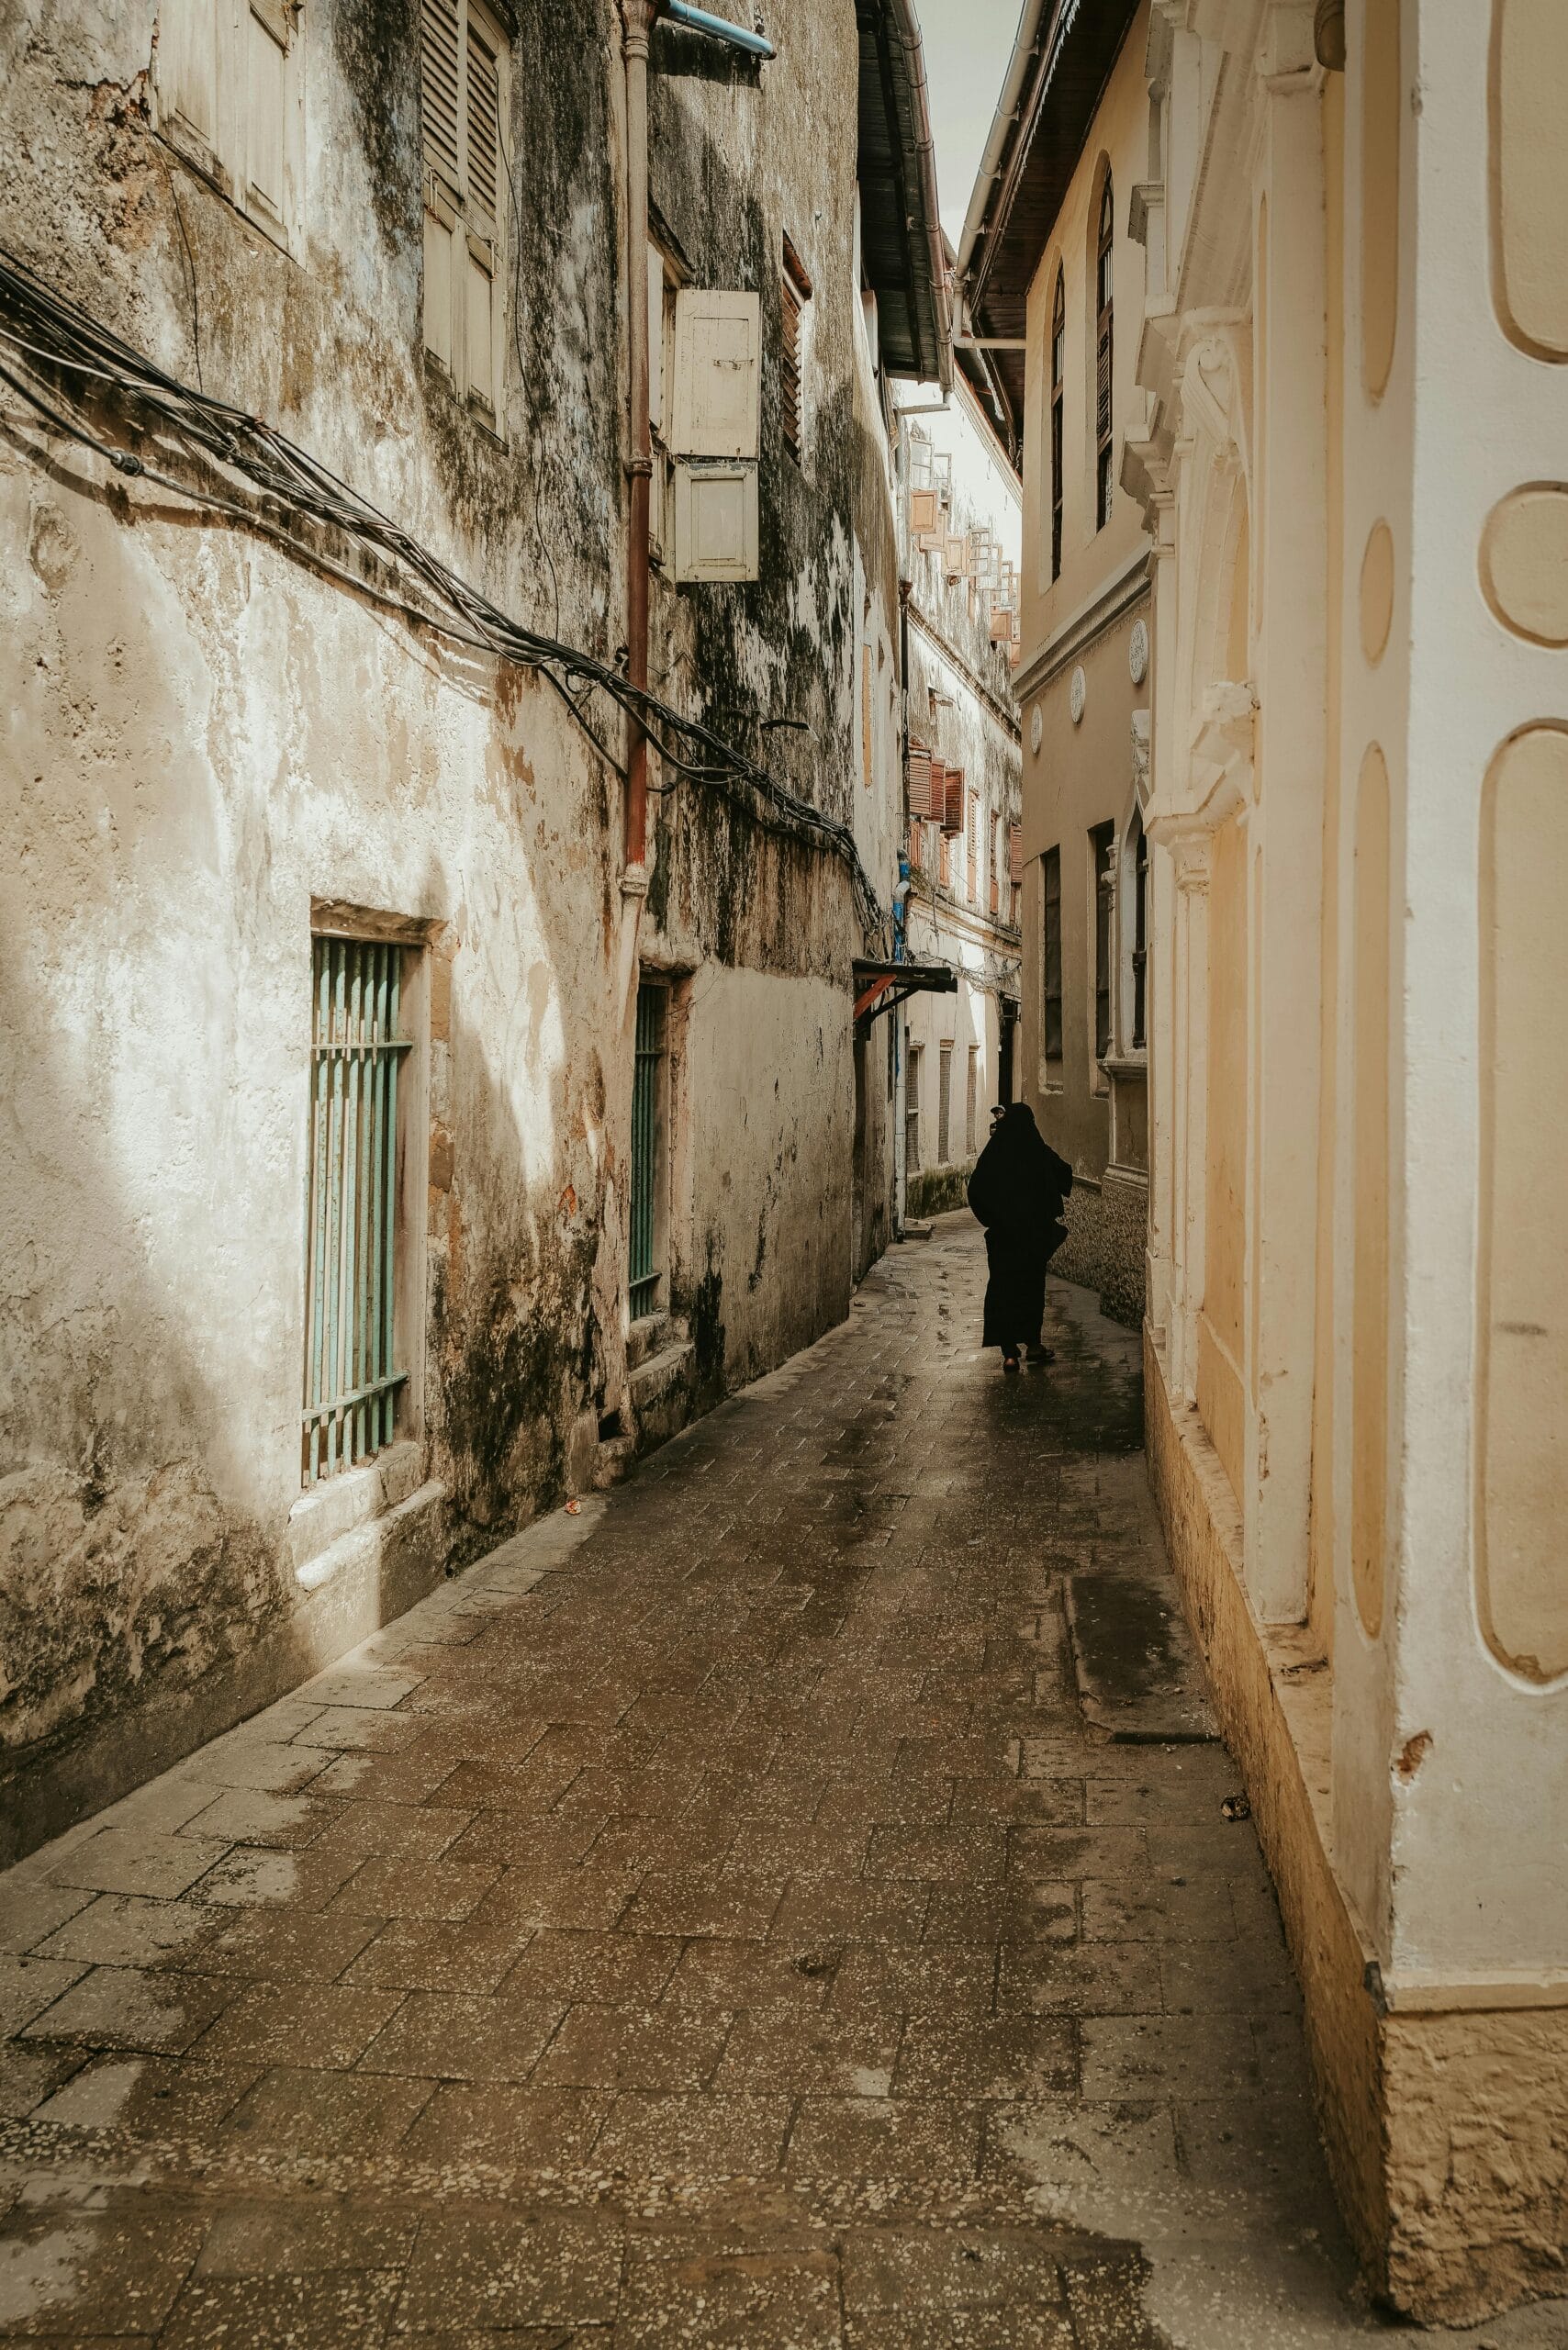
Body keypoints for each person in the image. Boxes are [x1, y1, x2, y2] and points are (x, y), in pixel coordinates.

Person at [967, 1101, 1072, 1375]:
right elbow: (1065, 1175)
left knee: (1003, 1289)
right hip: (1033, 1237)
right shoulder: (1037, 1150)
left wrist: (992, 1219)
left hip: (1003, 1237)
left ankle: (1010, 1355)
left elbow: (975, 1189)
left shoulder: (995, 1153)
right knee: (1031, 1289)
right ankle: (1034, 1345)